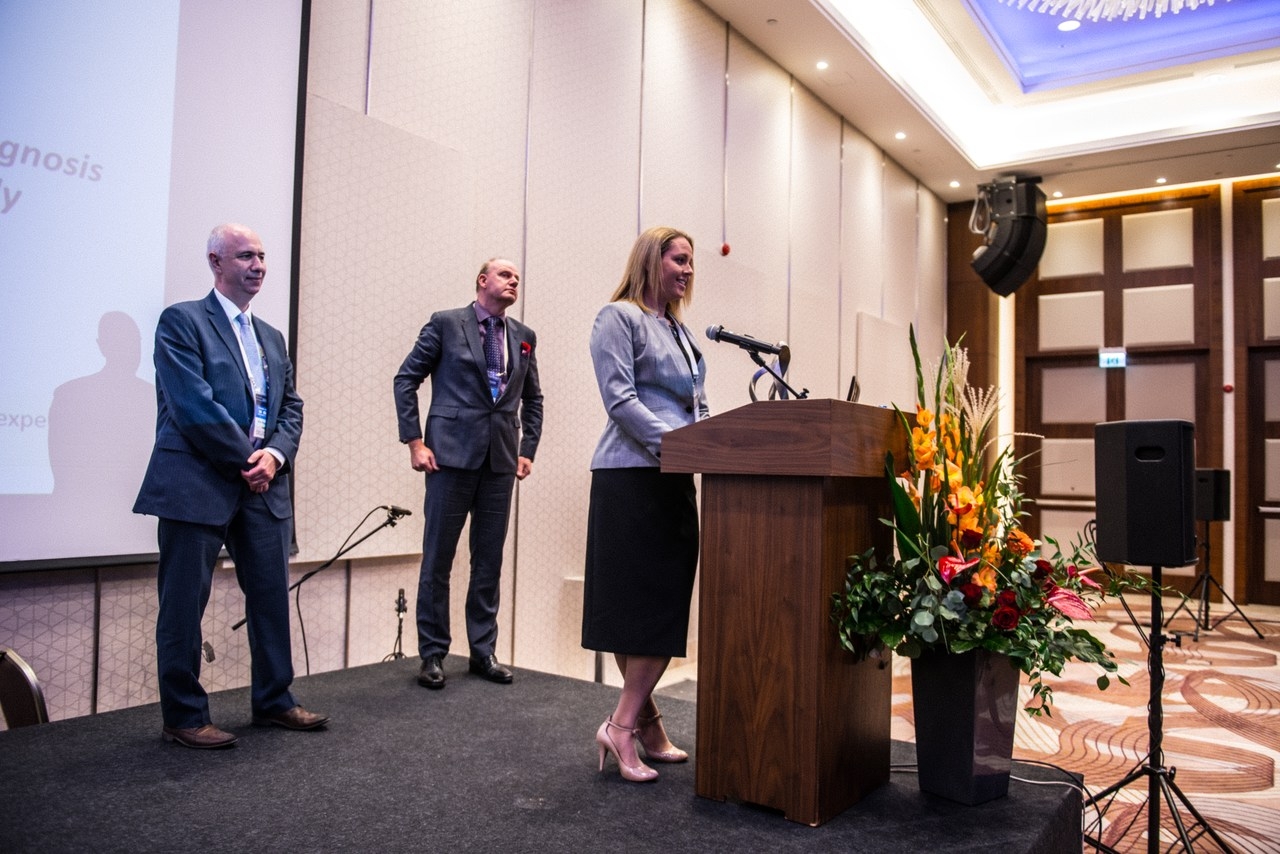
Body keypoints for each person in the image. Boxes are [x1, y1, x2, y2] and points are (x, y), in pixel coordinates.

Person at [134, 222, 327, 749]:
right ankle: (184, 716)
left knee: (270, 598)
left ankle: (274, 700)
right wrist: (249, 460)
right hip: (198, 481)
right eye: (245, 256)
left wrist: (275, 456)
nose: (258, 265)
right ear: (216, 262)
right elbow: (192, 405)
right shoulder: (182, 321)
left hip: (263, 486)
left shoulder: (271, 337)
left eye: (261, 256)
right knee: (183, 604)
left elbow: (291, 406)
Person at [582, 226, 708, 782]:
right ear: (651, 261)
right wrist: (680, 446)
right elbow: (620, 400)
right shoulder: (619, 317)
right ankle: (623, 726)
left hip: (673, 476)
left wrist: (713, 444)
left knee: (661, 605)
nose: (688, 270)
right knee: (636, 610)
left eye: (691, 262)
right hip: (630, 478)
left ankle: (644, 724)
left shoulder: (680, 330)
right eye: (679, 259)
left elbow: (698, 405)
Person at [393, 258, 543, 690]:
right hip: (449, 458)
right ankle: (432, 653)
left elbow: (533, 398)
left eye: (517, 278)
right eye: (505, 275)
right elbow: (406, 379)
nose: (513, 281)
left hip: (500, 461)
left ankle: (483, 651)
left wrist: (527, 450)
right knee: (438, 559)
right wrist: (414, 442)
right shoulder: (445, 323)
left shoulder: (524, 336)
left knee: (488, 561)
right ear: (482, 281)